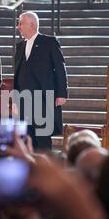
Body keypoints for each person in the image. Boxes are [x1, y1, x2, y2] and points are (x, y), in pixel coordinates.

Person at [14, 11, 68, 150]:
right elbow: (18, 74)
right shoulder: (19, 47)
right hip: (24, 101)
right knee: (26, 140)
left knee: (43, 140)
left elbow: (60, 68)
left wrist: (62, 93)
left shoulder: (49, 42)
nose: (18, 27)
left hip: (43, 100)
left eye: (21, 23)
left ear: (31, 24)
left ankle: (45, 169)